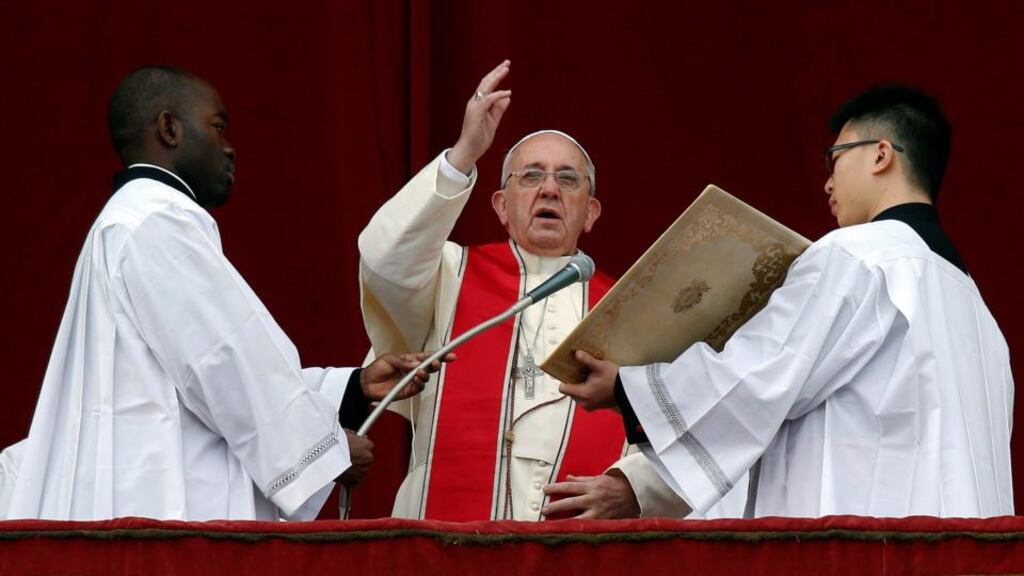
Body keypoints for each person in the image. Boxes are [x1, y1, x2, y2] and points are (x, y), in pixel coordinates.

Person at [5, 66, 444, 522]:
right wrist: (322, 453)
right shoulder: (154, 222)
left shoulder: (129, 221)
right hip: (163, 511)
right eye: (218, 127)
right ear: (169, 128)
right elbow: (223, 362)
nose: (230, 148)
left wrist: (352, 388)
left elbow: (201, 377)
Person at [555, 85, 1014, 518]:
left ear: (880, 155)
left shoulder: (854, 256)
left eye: (834, 157)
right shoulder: (980, 318)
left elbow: (758, 375)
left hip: (864, 548)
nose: (828, 182)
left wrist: (629, 388)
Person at [359, 61, 703, 521]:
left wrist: (633, 489)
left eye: (567, 179)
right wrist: (464, 153)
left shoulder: (630, 306)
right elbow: (384, 261)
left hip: (580, 549)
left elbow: (685, 430)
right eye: (530, 176)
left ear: (591, 212)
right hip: (443, 545)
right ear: (501, 205)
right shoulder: (447, 274)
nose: (549, 190)